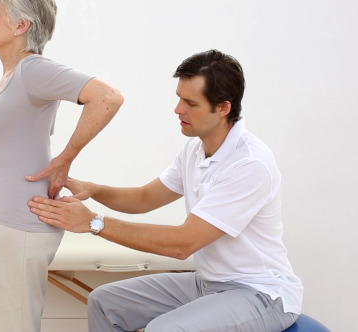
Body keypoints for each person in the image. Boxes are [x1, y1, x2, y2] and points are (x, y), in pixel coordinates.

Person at [28, 50, 303, 331]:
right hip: (207, 283)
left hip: (260, 294)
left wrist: (93, 223)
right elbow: (144, 198)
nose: (177, 109)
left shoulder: (249, 164)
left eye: (190, 102)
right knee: (104, 302)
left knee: (165, 329)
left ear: (223, 108)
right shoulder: (195, 149)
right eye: (179, 97)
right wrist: (94, 189)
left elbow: (182, 244)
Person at [0, 0, 123, 331]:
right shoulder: (11, 78)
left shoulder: (33, 70)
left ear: (22, 26)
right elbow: (1, 162)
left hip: (19, 223)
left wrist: (64, 160)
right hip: (0, 222)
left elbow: (107, 97)